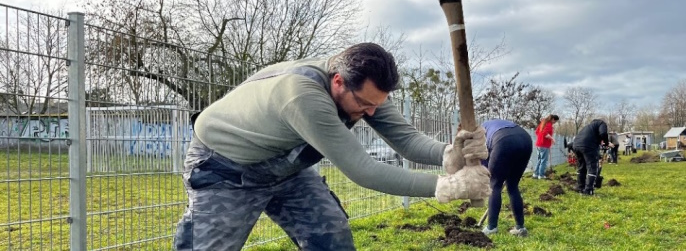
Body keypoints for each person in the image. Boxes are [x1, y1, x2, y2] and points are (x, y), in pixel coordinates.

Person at [173, 43, 490, 250]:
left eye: (376, 105)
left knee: (331, 237)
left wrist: (449, 154)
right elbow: (363, 169)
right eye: (364, 104)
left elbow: (406, 140)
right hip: (227, 168)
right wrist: (448, 187)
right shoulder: (304, 96)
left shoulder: (368, 89)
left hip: (287, 170)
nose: (370, 113)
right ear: (338, 81)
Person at [479, 120, 533, 237]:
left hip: (503, 140)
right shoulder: (487, 125)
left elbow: (485, 164)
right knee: (513, 186)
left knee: (494, 185)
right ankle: (520, 228)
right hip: (525, 139)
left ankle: (492, 227)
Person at [572, 119, 613, 196]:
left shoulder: (588, 127)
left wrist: (602, 142)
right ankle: (588, 191)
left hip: (576, 145)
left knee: (582, 167)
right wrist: (607, 143)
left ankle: (580, 188)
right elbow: (603, 133)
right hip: (588, 146)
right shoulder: (601, 123)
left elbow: (595, 137)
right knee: (592, 167)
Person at [532, 114, 559, 179]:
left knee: (540, 160)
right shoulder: (549, 124)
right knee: (544, 160)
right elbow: (545, 133)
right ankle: (541, 175)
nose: (555, 123)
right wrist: (552, 139)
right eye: (555, 121)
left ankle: (536, 174)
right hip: (544, 145)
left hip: (539, 144)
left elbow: (537, 132)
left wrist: (540, 138)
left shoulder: (543, 123)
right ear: (553, 119)